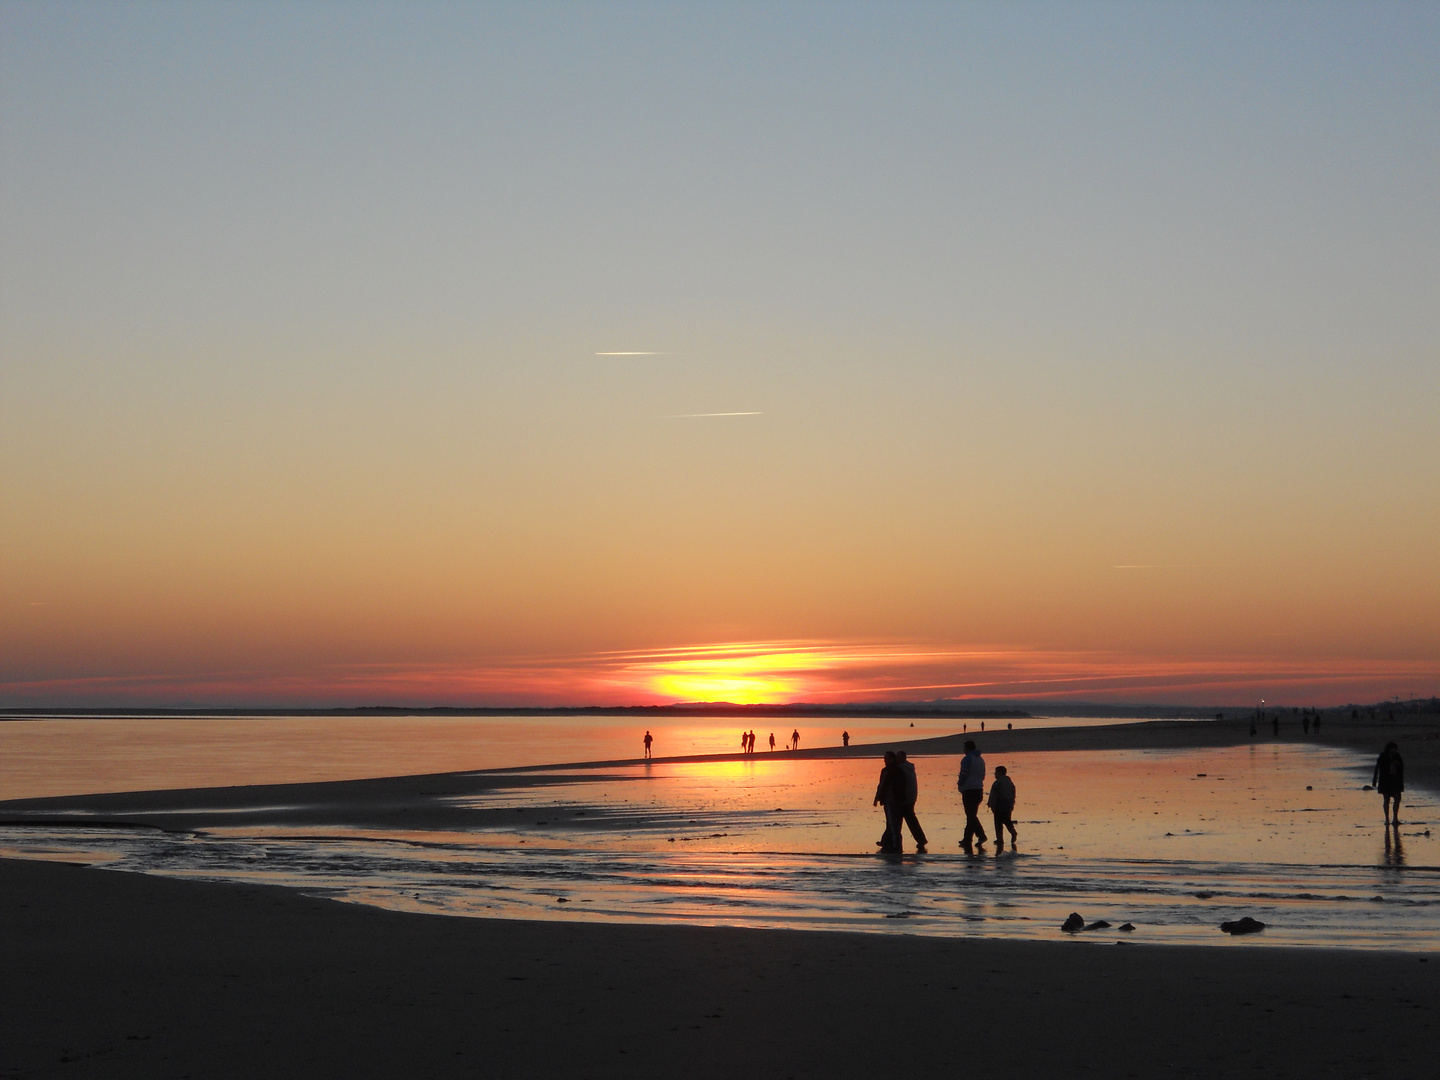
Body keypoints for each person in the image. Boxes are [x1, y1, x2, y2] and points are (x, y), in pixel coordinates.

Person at [956, 740, 987, 852]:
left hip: (969, 789)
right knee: (971, 815)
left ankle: (981, 835)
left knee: (971, 816)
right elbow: (983, 775)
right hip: (979, 789)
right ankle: (967, 839)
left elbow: (964, 774)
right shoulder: (981, 760)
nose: (963, 750)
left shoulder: (967, 759)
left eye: (964, 748)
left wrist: (960, 784)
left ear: (967, 748)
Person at [873, 751, 906, 853]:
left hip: (891, 800)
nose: (884, 760)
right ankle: (889, 843)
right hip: (898, 800)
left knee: (892, 824)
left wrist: (877, 798)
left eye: (886, 758)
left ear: (891, 759)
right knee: (894, 823)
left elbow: (882, 785)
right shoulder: (899, 770)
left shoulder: (888, 770)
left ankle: (896, 846)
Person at [895, 751, 927, 851]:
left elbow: (902, 785)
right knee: (907, 819)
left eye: (898, 757)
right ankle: (921, 840)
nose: (897, 759)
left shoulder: (902, 769)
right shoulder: (908, 768)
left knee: (898, 820)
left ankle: (921, 840)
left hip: (906, 798)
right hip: (910, 797)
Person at [987, 765, 1018, 851]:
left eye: (996, 772)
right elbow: (1013, 794)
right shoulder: (1010, 782)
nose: (995, 774)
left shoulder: (998, 783)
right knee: (1007, 820)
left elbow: (994, 794)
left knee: (998, 822)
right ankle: (1012, 832)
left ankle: (1000, 838)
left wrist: (990, 804)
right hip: (1008, 804)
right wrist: (1012, 803)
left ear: (1000, 773)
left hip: (999, 804)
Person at [1373, 742, 1405, 825]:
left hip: (1395, 780)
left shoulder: (1397, 756)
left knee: (1397, 799)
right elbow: (1379, 768)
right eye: (1393, 748)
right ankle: (1387, 819)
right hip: (1385, 781)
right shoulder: (1383, 756)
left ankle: (1395, 818)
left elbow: (1401, 766)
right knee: (1386, 800)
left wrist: (1396, 763)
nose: (1394, 750)